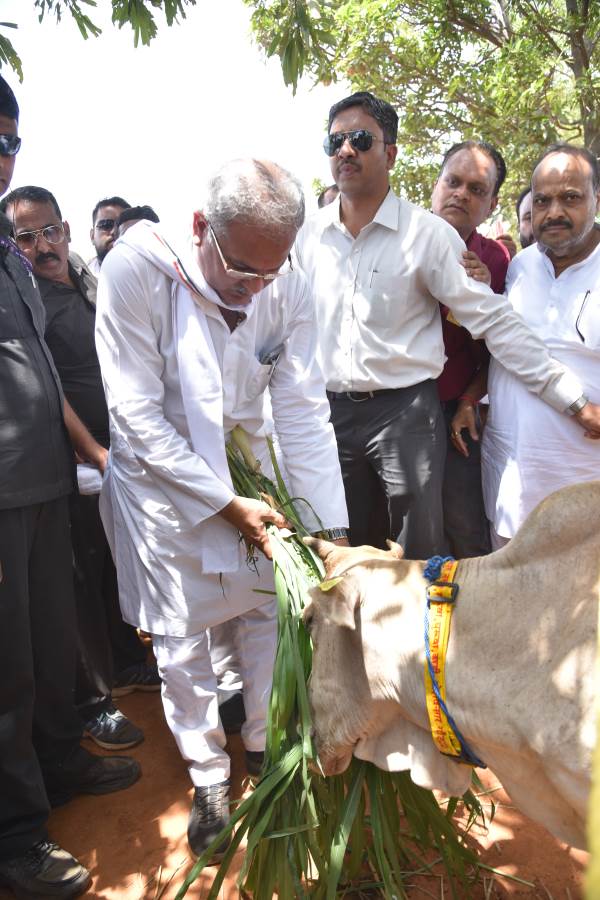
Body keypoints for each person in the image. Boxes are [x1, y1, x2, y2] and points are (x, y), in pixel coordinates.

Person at [95, 158, 348, 859]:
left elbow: (299, 404)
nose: (254, 289)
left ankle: (264, 747)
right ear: (201, 227)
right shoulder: (137, 269)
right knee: (183, 641)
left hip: (250, 473)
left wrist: (328, 528)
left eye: (271, 273)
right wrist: (219, 499)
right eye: (242, 270)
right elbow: (136, 415)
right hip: (165, 486)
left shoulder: (284, 281)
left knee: (265, 611)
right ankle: (209, 773)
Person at [295, 90, 600, 559]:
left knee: (419, 556)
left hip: (405, 417)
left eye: (360, 139)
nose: (346, 151)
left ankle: (424, 636)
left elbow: (495, 324)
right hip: (328, 414)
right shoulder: (307, 235)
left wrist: (574, 400)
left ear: (390, 153)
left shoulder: (428, 236)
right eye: (334, 142)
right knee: (344, 549)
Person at [0, 76, 140, 900]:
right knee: (5, 668)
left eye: (10, 139)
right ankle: (16, 839)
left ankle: (57, 765)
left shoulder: (12, 261)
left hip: (48, 483)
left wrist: (94, 453)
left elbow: (42, 374)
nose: (4, 154)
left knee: (52, 647)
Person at [2, 184, 160, 748]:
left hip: (130, 451)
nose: (42, 245)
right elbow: (49, 386)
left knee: (120, 563)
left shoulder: (94, 285)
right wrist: (90, 451)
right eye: (26, 236)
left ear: (66, 230)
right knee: (82, 579)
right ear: (14, 245)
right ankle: (98, 696)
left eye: (49, 230)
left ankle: (128, 660)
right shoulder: (29, 303)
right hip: (76, 461)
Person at [482, 143, 600, 549]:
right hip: (511, 480)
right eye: (543, 200)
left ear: (596, 199)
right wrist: (469, 398)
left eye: (570, 198)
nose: (554, 213)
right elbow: (503, 344)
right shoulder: (521, 265)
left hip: (584, 482)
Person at [431, 140, 510, 557]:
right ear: (436, 183)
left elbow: (498, 348)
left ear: (492, 203)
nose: (461, 194)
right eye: (453, 182)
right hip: (388, 410)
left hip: (454, 410)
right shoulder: (394, 239)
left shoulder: (495, 260)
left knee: (464, 525)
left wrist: (483, 296)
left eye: (476, 189)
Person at [87, 195, 130, 275]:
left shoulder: (150, 273)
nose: (114, 232)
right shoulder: (79, 280)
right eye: (106, 225)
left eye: (122, 226)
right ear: (92, 236)